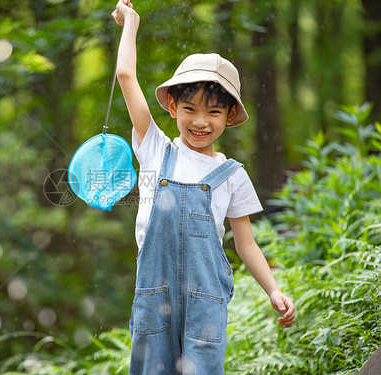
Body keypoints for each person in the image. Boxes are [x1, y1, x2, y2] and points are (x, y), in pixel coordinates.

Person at [111, 1, 296, 374]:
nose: (200, 121)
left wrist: (274, 290)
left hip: (205, 301)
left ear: (229, 116)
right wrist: (131, 22)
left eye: (213, 112)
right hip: (154, 297)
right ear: (173, 106)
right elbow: (125, 75)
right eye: (190, 109)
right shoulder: (154, 148)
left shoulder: (230, 174)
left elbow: (245, 243)